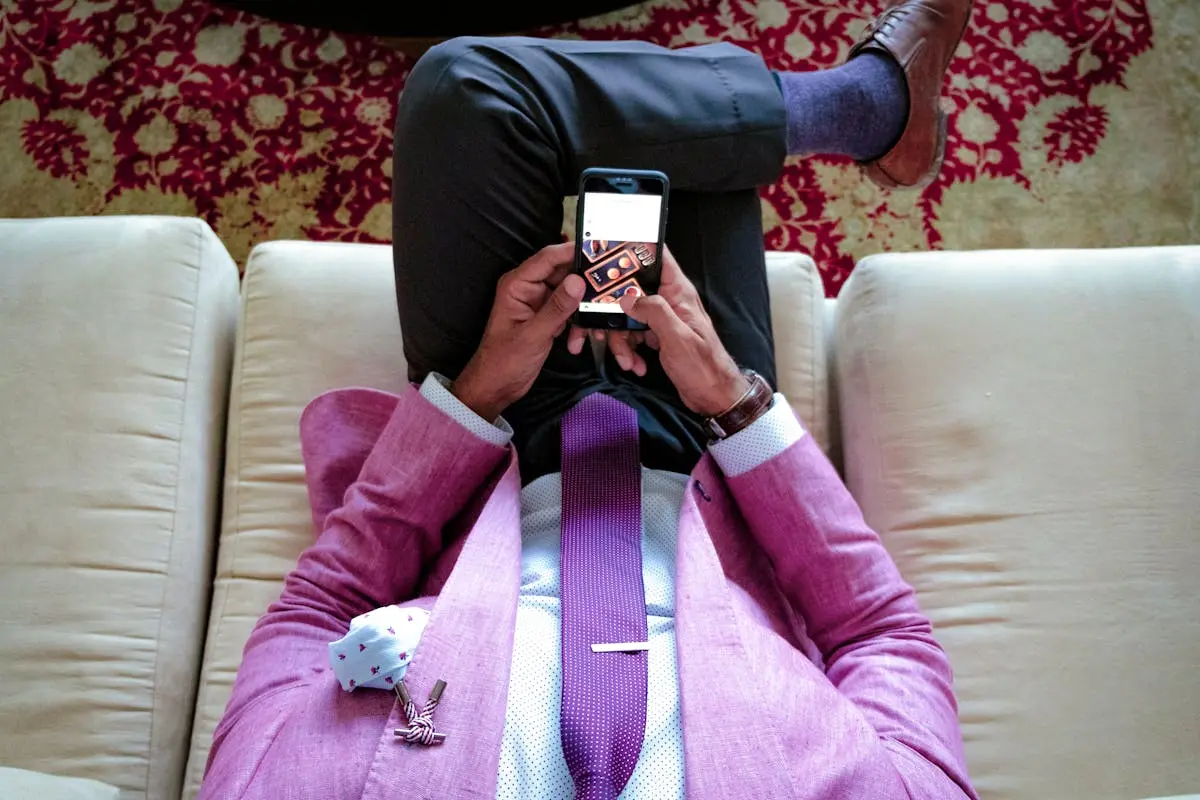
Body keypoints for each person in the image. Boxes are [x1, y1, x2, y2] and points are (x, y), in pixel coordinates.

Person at [199, 1, 979, 798]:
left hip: (497, 441)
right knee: (687, 136)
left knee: (465, 88)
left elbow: (318, 609)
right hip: (712, 450)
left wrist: (476, 394)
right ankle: (865, 108)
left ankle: (864, 108)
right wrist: (732, 401)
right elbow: (880, 633)